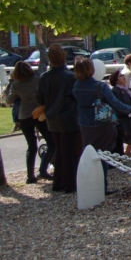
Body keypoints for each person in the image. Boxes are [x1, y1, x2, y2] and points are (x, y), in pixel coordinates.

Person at [73, 58, 131, 195]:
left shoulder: (76, 85)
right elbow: (116, 104)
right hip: (101, 123)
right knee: (103, 155)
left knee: (88, 153)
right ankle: (101, 187)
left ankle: (88, 184)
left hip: (84, 123)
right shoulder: (100, 86)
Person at [36, 44, 80, 193]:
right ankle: (69, 183)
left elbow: (40, 98)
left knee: (59, 150)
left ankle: (58, 182)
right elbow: (76, 96)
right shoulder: (71, 77)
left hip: (52, 117)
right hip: (68, 116)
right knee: (70, 151)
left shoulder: (45, 77)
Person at [5, 61, 55, 184]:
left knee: (31, 147)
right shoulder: (36, 80)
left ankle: (30, 175)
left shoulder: (16, 85)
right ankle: (43, 169)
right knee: (51, 142)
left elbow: (8, 100)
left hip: (24, 116)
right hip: (37, 114)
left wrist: (17, 96)